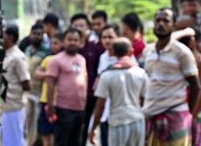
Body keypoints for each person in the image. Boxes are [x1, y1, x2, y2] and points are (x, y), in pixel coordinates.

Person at [143, 8, 200, 146]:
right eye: (158, 20)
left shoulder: (182, 53)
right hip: (151, 114)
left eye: (166, 20)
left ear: (174, 25)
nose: (161, 24)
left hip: (175, 115)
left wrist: (189, 114)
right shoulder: (148, 51)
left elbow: (195, 86)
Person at [89, 38, 149, 146]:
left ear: (113, 52)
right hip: (137, 121)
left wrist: (93, 128)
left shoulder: (107, 75)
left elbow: (100, 105)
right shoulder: (141, 73)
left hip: (117, 122)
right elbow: (146, 101)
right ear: (131, 51)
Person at [94, 25, 137, 146]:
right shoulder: (103, 57)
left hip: (124, 117)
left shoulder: (129, 59)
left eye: (110, 37)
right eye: (104, 37)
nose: (107, 40)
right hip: (105, 114)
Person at [46, 28, 88, 146]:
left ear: (80, 42)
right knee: (62, 142)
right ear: (63, 41)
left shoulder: (81, 59)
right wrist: (50, 106)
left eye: (76, 40)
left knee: (76, 142)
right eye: (69, 39)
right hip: (63, 108)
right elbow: (50, 83)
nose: (73, 42)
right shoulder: (56, 60)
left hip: (80, 109)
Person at [71, 13, 103, 143]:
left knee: (84, 126)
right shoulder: (69, 48)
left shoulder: (95, 48)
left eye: (81, 25)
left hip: (89, 95)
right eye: (76, 25)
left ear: (87, 27)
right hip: (69, 96)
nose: (79, 28)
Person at [177, 27, 201, 146]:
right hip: (183, 111)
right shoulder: (181, 60)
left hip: (195, 112)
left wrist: (193, 114)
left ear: (193, 41)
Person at [0, 25, 31, 146]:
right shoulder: (7, 54)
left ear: (11, 37)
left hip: (15, 106)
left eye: (4, 35)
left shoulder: (18, 57)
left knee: (15, 140)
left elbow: (26, 83)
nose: (2, 38)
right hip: (7, 105)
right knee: (8, 140)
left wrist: (15, 93)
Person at [35, 35, 64, 146]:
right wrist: (50, 74)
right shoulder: (48, 59)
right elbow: (37, 73)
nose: (53, 46)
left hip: (60, 101)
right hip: (45, 99)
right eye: (52, 43)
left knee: (56, 131)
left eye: (56, 43)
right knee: (45, 130)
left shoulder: (65, 59)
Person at [24, 23, 48, 146]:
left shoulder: (46, 51)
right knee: (29, 123)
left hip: (40, 93)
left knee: (38, 124)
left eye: (40, 34)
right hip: (28, 92)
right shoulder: (28, 50)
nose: (37, 36)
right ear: (30, 34)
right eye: (35, 34)